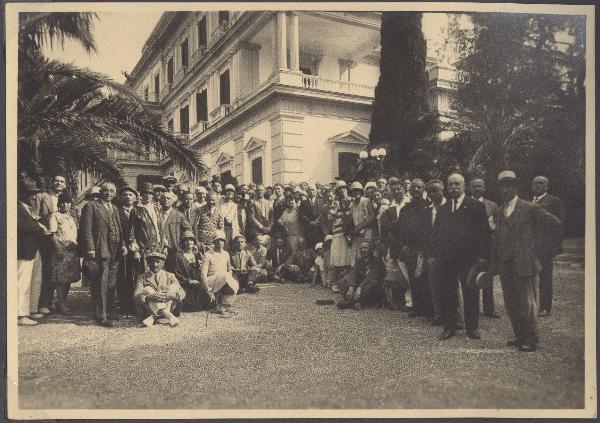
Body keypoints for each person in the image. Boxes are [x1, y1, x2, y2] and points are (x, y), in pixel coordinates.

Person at [494, 171, 561, 351]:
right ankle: (520, 335)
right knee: (511, 303)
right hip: (505, 264)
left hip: (525, 263)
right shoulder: (499, 211)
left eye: (510, 185)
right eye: (503, 186)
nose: (506, 189)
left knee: (527, 304)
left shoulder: (530, 208)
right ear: (499, 189)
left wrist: (533, 247)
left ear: (516, 188)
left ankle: (531, 339)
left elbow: (555, 223)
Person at [437, 173, 491, 341]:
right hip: (448, 260)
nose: (453, 187)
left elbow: (484, 234)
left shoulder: (475, 206)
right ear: (447, 187)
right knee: (448, 293)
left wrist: (483, 258)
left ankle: (472, 328)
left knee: (471, 293)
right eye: (451, 184)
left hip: (469, 260)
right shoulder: (443, 209)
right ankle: (449, 327)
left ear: (464, 186)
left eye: (457, 184)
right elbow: (437, 234)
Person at [79, 182, 128, 327]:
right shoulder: (91, 206)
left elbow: (120, 229)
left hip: (115, 250)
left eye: (111, 191)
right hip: (101, 249)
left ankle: (110, 311)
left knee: (111, 283)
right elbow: (86, 229)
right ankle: (101, 315)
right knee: (101, 282)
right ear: (101, 192)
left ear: (115, 193)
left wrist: (123, 244)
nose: (108, 193)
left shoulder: (115, 208)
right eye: (105, 190)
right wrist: (90, 248)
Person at [531, 175, 566, 317]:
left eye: (541, 183)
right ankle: (531, 305)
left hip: (545, 247)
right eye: (535, 183)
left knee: (545, 277)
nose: (538, 186)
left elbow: (560, 224)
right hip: (530, 246)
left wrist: (553, 246)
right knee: (528, 276)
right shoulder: (529, 201)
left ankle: (545, 307)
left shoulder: (554, 201)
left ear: (547, 186)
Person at [17, 179, 50, 325]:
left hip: (30, 249)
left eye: (34, 194)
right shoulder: (17, 208)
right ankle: (20, 314)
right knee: (22, 282)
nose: (33, 197)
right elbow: (22, 227)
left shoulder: (27, 209)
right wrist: (38, 226)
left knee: (30, 281)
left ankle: (29, 310)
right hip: (22, 251)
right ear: (23, 195)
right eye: (30, 194)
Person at [398, 178, 431, 319]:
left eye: (419, 187)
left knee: (426, 278)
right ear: (410, 191)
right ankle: (417, 308)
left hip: (424, 248)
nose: (416, 190)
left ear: (423, 190)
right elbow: (400, 229)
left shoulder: (429, 207)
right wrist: (403, 245)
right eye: (414, 188)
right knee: (413, 278)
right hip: (409, 248)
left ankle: (429, 310)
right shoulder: (405, 209)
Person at [468, 177, 500, 319]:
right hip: (470, 246)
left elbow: (498, 226)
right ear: (469, 188)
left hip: (487, 246)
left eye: (480, 186)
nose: (477, 189)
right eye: (474, 186)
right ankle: (471, 309)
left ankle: (489, 309)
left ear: (484, 188)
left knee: (488, 276)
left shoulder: (492, 205)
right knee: (470, 276)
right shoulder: (464, 203)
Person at [379, 177, 410, 311]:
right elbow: (385, 226)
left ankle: (410, 302)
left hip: (408, 243)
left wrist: (395, 225)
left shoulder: (409, 204)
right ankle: (398, 300)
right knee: (397, 273)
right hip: (394, 244)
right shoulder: (389, 208)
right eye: (394, 190)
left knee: (409, 273)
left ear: (404, 190)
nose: (397, 192)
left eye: (399, 189)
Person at [134, 251, 185, 327]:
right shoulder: (142, 277)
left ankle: (152, 317)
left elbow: (182, 292)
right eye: (152, 262)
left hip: (169, 304)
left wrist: (172, 296)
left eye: (157, 262)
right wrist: (148, 298)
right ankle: (170, 316)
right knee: (148, 289)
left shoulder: (170, 275)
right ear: (148, 263)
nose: (155, 265)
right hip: (149, 308)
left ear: (162, 263)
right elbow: (136, 295)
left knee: (174, 287)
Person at [50, 193, 81, 313]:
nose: (65, 205)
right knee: (61, 279)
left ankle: (62, 302)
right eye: (62, 202)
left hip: (72, 251)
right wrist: (57, 249)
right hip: (61, 250)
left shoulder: (71, 216)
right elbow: (52, 234)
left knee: (69, 278)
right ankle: (61, 304)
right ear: (59, 204)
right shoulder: (55, 216)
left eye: (68, 202)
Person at [423, 179, 446, 326]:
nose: (432, 194)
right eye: (430, 191)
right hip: (432, 254)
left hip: (448, 253)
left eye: (435, 190)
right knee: (434, 285)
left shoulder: (451, 206)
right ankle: (439, 314)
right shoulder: (428, 210)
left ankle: (456, 317)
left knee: (451, 287)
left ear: (442, 190)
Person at [337, 241, 385, 310]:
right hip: (361, 285)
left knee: (373, 283)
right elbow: (354, 273)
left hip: (371, 285)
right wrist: (352, 285)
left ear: (370, 249)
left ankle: (351, 303)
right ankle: (355, 302)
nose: (363, 250)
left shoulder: (376, 261)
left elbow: (371, 276)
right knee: (343, 281)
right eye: (361, 248)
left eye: (365, 248)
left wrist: (360, 286)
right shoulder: (359, 260)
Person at [200, 230, 239, 317]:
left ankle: (224, 306)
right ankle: (217, 306)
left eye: (222, 240)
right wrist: (208, 289)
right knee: (224, 276)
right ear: (213, 242)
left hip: (223, 279)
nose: (220, 243)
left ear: (224, 242)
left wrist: (229, 278)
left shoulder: (226, 254)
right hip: (210, 281)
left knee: (234, 283)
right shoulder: (207, 255)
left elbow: (229, 269)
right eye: (217, 241)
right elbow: (203, 274)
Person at [129, 182, 164, 273]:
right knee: (144, 274)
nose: (148, 196)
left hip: (158, 247)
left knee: (157, 273)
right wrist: (135, 251)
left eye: (150, 193)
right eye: (146, 193)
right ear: (141, 195)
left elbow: (161, 229)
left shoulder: (157, 209)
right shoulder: (136, 210)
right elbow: (132, 231)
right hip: (144, 248)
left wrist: (164, 245)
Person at [172, 230, 210, 311]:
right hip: (184, 284)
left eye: (191, 240)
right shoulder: (178, 256)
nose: (189, 242)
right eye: (186, 240)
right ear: (183, 242)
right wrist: (188, 281)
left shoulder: (197, 255)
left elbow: (200, 271)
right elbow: (176, 273)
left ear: (194, 242)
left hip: (196, 283)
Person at [116, 186, 140, 315]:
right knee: (123, 276)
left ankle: (136, 304)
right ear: (120, 198)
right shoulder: (116, 211)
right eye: (125, 195)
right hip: (121, 248)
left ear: (135, 198)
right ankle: (124, 305)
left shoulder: (139, 211)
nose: (128, 197)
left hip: (137, 248)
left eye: (130, 194)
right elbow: (115, 230)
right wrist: (122, 244)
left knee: (136, 275)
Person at [328, 180, 354, 289]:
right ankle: (336, 282)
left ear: (347, 189)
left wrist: (341, 214)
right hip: (338, 231)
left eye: (344, 188)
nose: (342, 191)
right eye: (340, 190)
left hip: (349, 230)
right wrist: (338, 214)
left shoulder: (352, 201)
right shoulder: (335, 202)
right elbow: (330, 217)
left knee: (348, 257)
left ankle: (347, 282)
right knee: (337, 257)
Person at [159, 191, 192, 265]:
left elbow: (188, 230)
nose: (166, 200)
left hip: (174, 249)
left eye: (168, 198)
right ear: (160, 200)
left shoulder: (179, 215)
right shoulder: (156, 214)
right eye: (163, 198)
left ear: (173, 201)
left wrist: (182, 243)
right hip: (159, 248)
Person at [349, 182, 376, 263]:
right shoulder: (352, 205)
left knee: (368, 256)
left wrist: (360, 227)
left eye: (358, 190)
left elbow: (372, 218)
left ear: (361, 191)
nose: (356, 192)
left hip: (367, 232)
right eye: (354, 191)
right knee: (357, 258)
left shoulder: (366, 201)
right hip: (357, 234)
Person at [298, 183, 323, 248]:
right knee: (310, 248)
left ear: (316, 190)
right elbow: (301, 215)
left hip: (319, 229)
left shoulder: (321, 201)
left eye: (312, 190)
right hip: (309, 229)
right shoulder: (303, 203)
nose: (311, 192)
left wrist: (317, 221)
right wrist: (310, 222)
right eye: (309, 190)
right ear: (307, 191)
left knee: (320, 247)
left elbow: (323, 213)